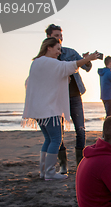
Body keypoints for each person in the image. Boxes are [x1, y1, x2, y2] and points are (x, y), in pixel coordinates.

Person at [23, 37, 99, 180]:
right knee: (56, 139)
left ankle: (44, 171)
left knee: (48, 139)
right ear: (49, 48)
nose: (59, 52)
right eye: (57, 49)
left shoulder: (36, 63)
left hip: (38, 109)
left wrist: (63, 79)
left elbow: (42, 81)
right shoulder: (49, 62)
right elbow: (70, 66)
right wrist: (89, 58)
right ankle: (50, 173)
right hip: (49, 109)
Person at [46, 24, 92, 171]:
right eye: (56, 36)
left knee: (81, 129)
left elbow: (87, 67)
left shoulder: (70, 52)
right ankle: (63, 165)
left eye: (60, 36)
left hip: (75, 96)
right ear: (48, 38)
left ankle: (80, 165)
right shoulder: (46, 58)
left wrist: (86, 59)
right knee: (58, 133)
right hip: (57, 98)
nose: (59, 39)